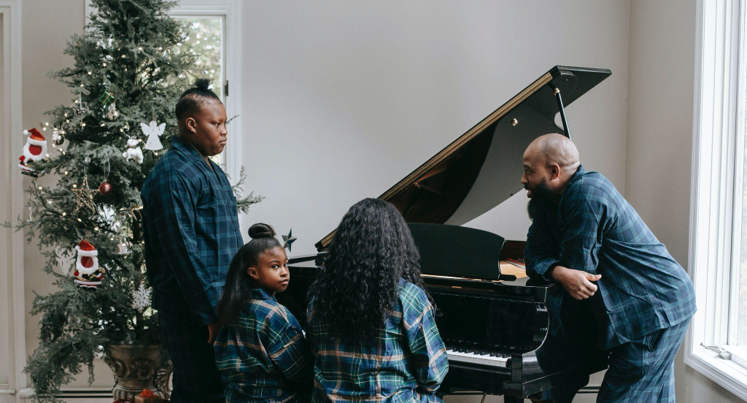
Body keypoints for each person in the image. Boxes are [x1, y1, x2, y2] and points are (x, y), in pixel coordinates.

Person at [521, 133, 696, 402]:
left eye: (528, 171)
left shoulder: (586, 195)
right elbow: (533, 255)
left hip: (654, 309)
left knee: (620, 397)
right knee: (653, 396)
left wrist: (555, 362)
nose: (523, 180)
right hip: (647, 304)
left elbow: (580, 277)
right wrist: (558, 271)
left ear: (554, 171)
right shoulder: (549, 201)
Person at [141, 79, 243, 403]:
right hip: (193, 313)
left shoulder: (209, 169)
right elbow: (181, 251)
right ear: (191, 124)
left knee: (217, 391)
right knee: (199, 393)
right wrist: (209, 315)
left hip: (220, 304)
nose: (224, 131)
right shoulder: (174, 174)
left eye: (224, 123)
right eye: (216, 123)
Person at [306, 198, 449, 403]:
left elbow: (315, 353)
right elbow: (433, 375)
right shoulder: (407, 297)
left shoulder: (319, 297)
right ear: (396, 245)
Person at [214, 223, 314, 403]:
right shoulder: (274, 313)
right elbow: (301, 371)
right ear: (253, 272)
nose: (284, 272)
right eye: (275, 267)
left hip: (237, 396)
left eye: (286, 265)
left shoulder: (232, 306)